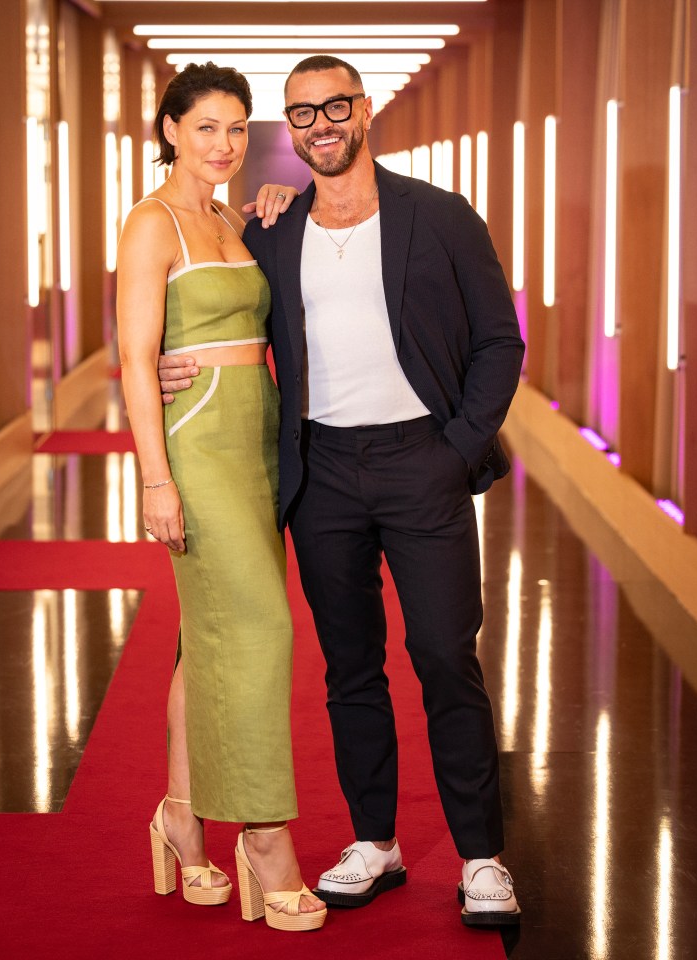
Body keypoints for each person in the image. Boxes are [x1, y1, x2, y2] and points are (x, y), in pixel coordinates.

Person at [159, 55, 525, 927]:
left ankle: (482, 858)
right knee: (349, 667)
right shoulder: (272, 230)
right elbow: (214, 310)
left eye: (334, 107)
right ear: (290, 132)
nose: (319, 126)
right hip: (320, 473)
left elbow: (499, 343)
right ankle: (376, 842)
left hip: (421, 463)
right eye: (300, 115)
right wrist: (175, 362)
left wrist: (455, 449)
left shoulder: (438, 216)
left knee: (443, 655)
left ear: (364, 110)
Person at [116, 61, 326, 932]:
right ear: (169, 129)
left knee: (204, 641)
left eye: (238, 128)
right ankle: (265, 836)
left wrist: (278, 204)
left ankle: (178, 817)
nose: (224, 145)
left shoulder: (237, 216)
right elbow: (135, 358)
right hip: (197, 446)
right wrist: (155, 477)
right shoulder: (151, 223)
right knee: (260, 627)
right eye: (205, 126)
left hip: (258, 439)